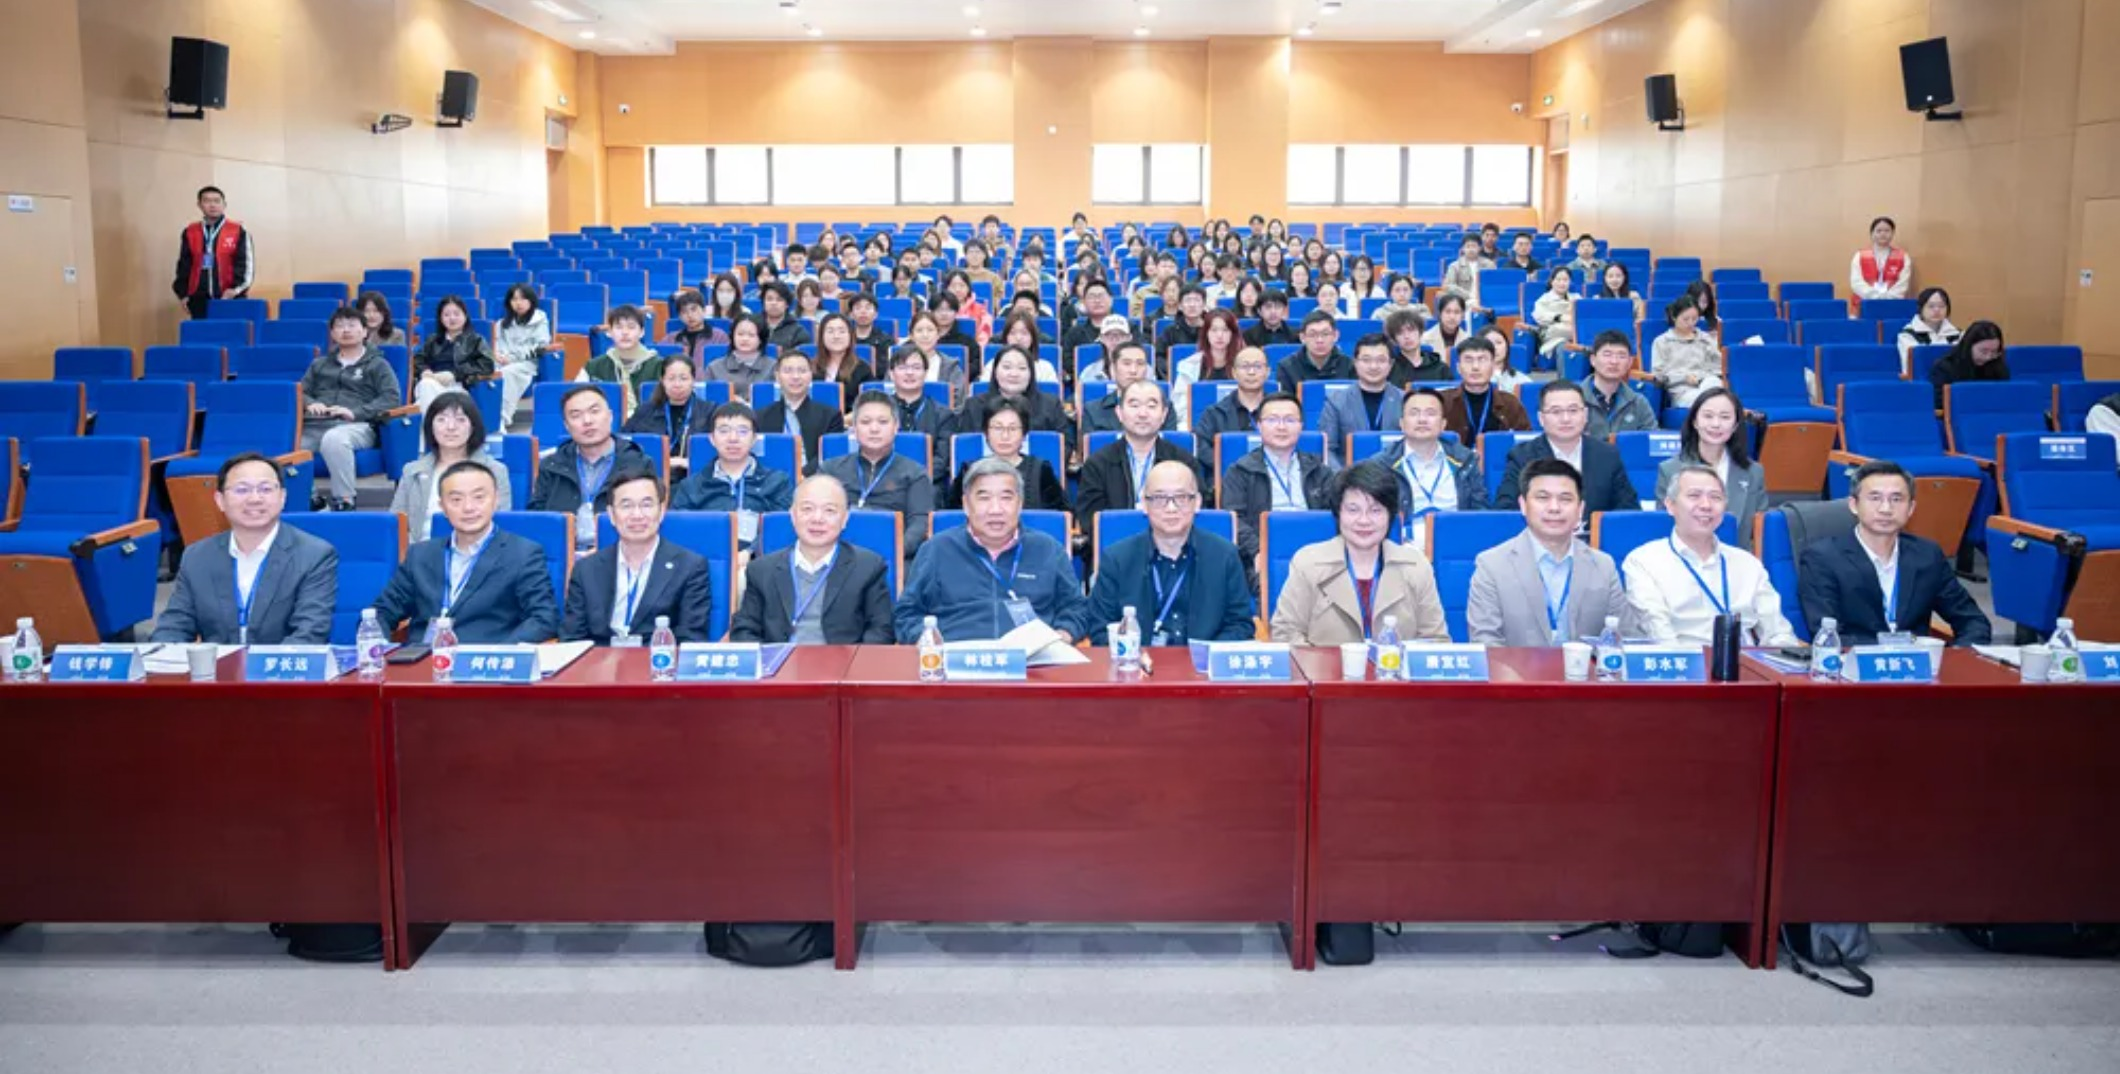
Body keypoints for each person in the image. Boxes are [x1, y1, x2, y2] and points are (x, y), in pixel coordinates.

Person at [893, 455, 1091, 643]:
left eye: (1006, 498)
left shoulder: (1048, 549)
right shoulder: (936, 550)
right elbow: (906, 614)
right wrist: (924, 637)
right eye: (984, 498)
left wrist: (1063, 634)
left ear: (1020, 504)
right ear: (966, 505)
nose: (995, 509)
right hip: (958, 658)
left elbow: (1076, 609)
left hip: (1032, 660)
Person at [151, 452, 335, 645]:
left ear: (282, 497)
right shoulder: (197, 556)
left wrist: (257, 664)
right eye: (241, 490)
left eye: (265, 489)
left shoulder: (314, 555)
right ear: (220, 500)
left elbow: (310, 634)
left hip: (280, 663)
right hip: (217, 664)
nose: (254, 499)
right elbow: (173, 627)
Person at [372, 460, 559, 644]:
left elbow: (543, 618)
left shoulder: (523, 553)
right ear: (443, 507)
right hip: (423, 658)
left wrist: (500, 653)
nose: (468, 508)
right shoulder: (420, 555)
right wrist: (376, 647)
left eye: (479, 497)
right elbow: (381, 612)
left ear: (496, 500)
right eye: (456, 500)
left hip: (484, 659)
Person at [1268, 462, 1450, 646]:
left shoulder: (1416, 566)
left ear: (1390, 516)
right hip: (1325, 665)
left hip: (1395, 665)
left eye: (1375, 511)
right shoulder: (1308, 563)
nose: (1364, 521)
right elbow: (1285, 634)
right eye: (1353, 510)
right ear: (1338, 513)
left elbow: (1436, 640)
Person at [1621, 464, 1799, 647]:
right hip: (1684, 660)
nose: (1706, 505)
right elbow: (1660, 636)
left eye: (1715, 497)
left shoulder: (1748, 564)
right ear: (1670, 505)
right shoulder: (1643, 562)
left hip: (1744, 660)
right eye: (1694, 496)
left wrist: (1784, 656)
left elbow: (1779, 633)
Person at [1467, 458, 1635, 647]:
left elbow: (1625, 638)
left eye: (1565, 499)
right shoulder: (1492, 565)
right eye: (1542, 498)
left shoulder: (1603, 566)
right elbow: (1486, 643)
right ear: (1523, 505)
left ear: (1580, 509)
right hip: (1513, 667)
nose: (1554, 508)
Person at [1086, 461, 1256, 646]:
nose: (1171, 508)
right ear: (1144, 504)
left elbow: (1240, 624)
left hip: (1203, 662)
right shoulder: (1117, 559)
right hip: (1137, 661)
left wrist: (1205, 656)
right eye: (1160, 498)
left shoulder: (1225, 556)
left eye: (1181, 497)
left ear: (1197, 502)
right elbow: (1100, 628)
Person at [727, 475, 896, 645]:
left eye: (829, 511)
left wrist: (855, 660)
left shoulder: (868, 567)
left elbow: (881, 631)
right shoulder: (762, 570)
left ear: (845, 519)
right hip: (779, 661)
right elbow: (744, 631)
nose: (817, 518)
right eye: (807, 509)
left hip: (844, 660)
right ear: (793, 515)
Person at [560, 468, 714, 646]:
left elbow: (691, 639)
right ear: (611, 515)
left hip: (658, 659)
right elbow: (572, 639)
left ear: (661, 511)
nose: (637, 515)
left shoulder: (690, 567)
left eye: (646, 505)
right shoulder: (586, 570)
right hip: (599, 660)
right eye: (626, 506)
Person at [1224, 392, 1336, 583]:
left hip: (1315, 552)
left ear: (1301, 426)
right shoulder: (1240, 471)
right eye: (1272, 420)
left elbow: (1334, 516)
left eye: (1290, 420)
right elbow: (1235, 520)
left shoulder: (1319, 471)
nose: (1281, 427)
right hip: (1264, 552)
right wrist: (1258, 551)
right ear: (1259, 425)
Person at [301, 306, 404, 512]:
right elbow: (299, 393)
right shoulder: (319, 365)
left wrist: (354, 412)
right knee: (289, 444)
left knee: (334, 439)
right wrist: (310, 403)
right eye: (340, 326)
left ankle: (344, 501)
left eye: (351, 325)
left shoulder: (378, 365)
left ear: (365, 332)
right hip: (316, 424)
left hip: (358, 425)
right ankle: (312, 499)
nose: (346, 330)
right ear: (332, 334)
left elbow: (391, 399)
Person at [1076, 379, 1211, 535]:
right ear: (1119, 413)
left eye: (1151, 406)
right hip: (1117, 546)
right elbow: (1092, 522)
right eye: (1134, 406)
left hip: (1172, 542)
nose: (1142, 414)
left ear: (1164, 414)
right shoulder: (1098, 463)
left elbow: (1196, 512)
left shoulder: (1184, 462)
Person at [529, 384, 650, 551]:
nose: (587, 421)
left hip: (619, 554)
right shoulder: (551, 466)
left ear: (610, 416)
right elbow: (537, 521)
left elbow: (648, 522)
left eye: (594, 411)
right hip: (561, 554)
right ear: (566, 425)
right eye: (576, 415)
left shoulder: (638, 464)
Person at [818, 391, 934, 557]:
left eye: (883, 422)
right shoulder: (830, 470)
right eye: (865, 422)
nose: (874, 429)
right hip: (838, 557)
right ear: (854, 428)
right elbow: (818, 517)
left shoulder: (915, 473)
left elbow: (919, 525)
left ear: (896, 426)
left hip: (893, 558)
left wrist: (892, 552)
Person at [1496, 380, 1638, 515]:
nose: (1566, 419)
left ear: (1585, 415)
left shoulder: (1607, 455)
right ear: (1541, 418)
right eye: (1556, 411)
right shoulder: (1522, 456)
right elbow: (1505, 510)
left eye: (1573, 410)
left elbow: (1629, 510)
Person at [390, 390, 512, 542]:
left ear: (473, 427)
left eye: (460, 420)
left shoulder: (494, 471)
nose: (451, 427)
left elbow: (500, 525)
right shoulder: (413, 471)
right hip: (420, 550)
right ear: (430, 427)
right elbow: (395, 524)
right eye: (441, 420)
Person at [670, 401, 794, 551]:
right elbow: (680, 532)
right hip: (706, 558)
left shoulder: (777, 482)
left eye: (742, 431)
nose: (733, 438)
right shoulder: (691, 486)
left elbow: (782, 528)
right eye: (724, 431)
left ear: (754, 439)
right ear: (712, 439)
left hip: (762, 560)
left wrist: (750, 552)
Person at [1655, 387, 1767, 549]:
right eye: (1708, 416)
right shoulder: (1670, 470)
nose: (1716, 424)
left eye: (1725, 417)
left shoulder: (1753, 472)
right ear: (1695, 421)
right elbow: (1664, 529)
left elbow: (1758, 535)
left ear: (1735, 425)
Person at [1372, 388, 1487, 545]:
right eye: (1414, 413)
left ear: (1443, 424)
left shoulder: (1465, 460)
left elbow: (1481, 513)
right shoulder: (1381, 465)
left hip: (1458, 544)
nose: (1422, 420)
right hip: (1402, 548)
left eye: (1430, 413)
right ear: (1401, 424)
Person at [945, 395, 1069, 511]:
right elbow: (952, 516)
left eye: (1013, 428)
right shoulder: (969, 470)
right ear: (986, 432)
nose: (1005, 436)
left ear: (1024, 434)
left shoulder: (1041, 470)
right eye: (998, 428)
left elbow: (1058, 517)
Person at [954, 346, 1074, 458]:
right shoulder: (974, 406)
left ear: (1031, 374)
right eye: (1007, 367)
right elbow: (966, 448)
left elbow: (1065, 446)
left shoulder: (1050, 405)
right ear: (995, 372)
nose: (1014, 374)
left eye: (1022, 368)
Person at [1318, 335, 1405, 467]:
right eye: (1366, 360)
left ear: (1391, 364)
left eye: (1381, 360)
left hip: (1394, 474)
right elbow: (1327, 449)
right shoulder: (1336, 401)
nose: (1373, 366)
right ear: (1355, 363)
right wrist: (1343, 477)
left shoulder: (1405, 401)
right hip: (1347, 473)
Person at [755, 351, 846, 477]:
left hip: (815, 479)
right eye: (788, 371)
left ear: (811, 375)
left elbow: (829, 454)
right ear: (777, 376)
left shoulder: (830, 415)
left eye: (802, 371)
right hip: (771, 481)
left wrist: (802, 475)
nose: (795, 377)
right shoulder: (760, 416)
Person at [173, 185, 255, 319]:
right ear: (199, 205)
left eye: (217, 201)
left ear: (224, 205)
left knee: (230, 332)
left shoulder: (238, 230)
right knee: (202, 332)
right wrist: (183, 294)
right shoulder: (190, 232)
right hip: (198, 299)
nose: (212, 205)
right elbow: (184, 265)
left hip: (230, 298)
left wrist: (236, 290)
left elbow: (246, 264)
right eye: (207, 201)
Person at [623, 354, 714, 473]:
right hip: (652, 474)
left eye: (683, 379)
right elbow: (624, 443)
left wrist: (691, 462)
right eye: (671, 379)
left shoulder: (710, 411)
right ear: (662, 381)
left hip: (695, 476)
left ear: (693, 380)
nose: (677, 384)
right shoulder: (645, 411)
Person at [1439, 336, 1530, 444]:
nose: (1475, 367)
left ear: (1493, 366)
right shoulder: (1443, 402)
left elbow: (1525, 445)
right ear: (1458, 368)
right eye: (1468, 360)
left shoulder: (1511, 404)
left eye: (1482, 360)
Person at [409, 296, 495, 410]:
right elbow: (418, 359)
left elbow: (487, 365)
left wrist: (455, 375)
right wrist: (424, 370)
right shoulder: (432, 340)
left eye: (456, 314)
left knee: (425, 393)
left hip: (457, 387)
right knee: (426, 385)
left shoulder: (476, 340)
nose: (452, 318)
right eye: (446, 315)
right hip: (431, 383)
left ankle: (429, 419)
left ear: (465, 316)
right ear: (440, 318)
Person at [1081, 342, 1178, 437]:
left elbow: (1167, 445)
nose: (1133, 370)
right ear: (1113, 369)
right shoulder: (1093, 410)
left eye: (1140, 364)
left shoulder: (1164, 408)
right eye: (1126, 364)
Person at [1171, 307, 1245, 429]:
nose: (1219, 335)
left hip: (1237, 425)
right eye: (1214, 330)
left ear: (1233, 334)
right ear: (1206, 333)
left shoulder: (1244, 364)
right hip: (1200, 426)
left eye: (1225, 330)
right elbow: (1180, 409)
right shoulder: (1189, 366)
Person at [1580, 329, 1658, 439]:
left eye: (1621, 356)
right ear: (1593, 360)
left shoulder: (1638, 403)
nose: (1614, 361)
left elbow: (1651, 441)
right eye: (1607, 355)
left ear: (1630, 362)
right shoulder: (1574, 399)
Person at [1651, 295, 1724, 411]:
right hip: (1681, 391)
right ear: (1674, 317)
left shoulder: (1705, 339)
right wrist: (1683, 377)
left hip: (1706, 384)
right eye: (1686, 319)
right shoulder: (1662, 342)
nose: (1691, 323)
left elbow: (1719, 367)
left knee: (1715, 385)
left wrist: (1703, 376)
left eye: (1694, 319)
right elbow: (1659, 375)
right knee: (1708, 400)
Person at [1192, 345, 1273, 449]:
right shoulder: (1215, 414)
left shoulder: (1281, 412)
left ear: (1267, 372)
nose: (1251, 372)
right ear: (1234, 373)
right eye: (1245, 366)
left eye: (1258, 366)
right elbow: (1200, 448)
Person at [492, 284, 549, 429]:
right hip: (504, 362)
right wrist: (499, 356)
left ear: (531, 301)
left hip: (527, 363)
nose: (518, 303)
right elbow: (498, 345)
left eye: (523, 299)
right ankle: (485, 416)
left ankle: (502, 418)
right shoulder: (502, 324)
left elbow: (540, 347)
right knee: (487, 370)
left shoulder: (540, 320)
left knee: (508, 373)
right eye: (514, 299)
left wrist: (512, 358)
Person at [1927, 319, 2008, 409]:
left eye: (1994, 352)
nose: (1988, 357)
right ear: (1969, 346)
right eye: (1983, 351)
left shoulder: (1996, 364)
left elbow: (2004, 395)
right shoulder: (1944, 367)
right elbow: (1938, 401)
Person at [898, 311, 971, 401]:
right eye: (919, 330)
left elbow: (959, 402)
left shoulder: (951, 367)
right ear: (911, 336)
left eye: (930, 330)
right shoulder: (898, 365)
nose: (925, 335)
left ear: (938, 334)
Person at [704, 316, 775, 399]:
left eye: (751, 335)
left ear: (761, 339)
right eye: (740, 334)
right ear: (732, 337)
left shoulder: (773, 367)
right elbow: (707, 401)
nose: (745, 339)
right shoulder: (714, 368)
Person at [1895, 286, 1961, 376]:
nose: (1937, 310)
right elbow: (1913, 365)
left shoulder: (1958, 335)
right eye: (1931, 306)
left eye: (1941, 306)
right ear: (1921, 309)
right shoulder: (1907, 335)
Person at [1276, 311, 1354, 386]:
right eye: (1312, 335)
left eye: (1325, 334)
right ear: (1302, 337)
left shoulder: (1349, 366)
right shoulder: (1287, 368)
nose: (1319, 340)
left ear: (1335, 336)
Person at [1850, 215, 1912, 302]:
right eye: (1878, 231)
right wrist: (1875, 297)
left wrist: (1887, 298)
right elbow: (1856, 282)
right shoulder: (1860, 255)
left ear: (1893, 233)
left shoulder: (1903, 256)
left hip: (1892, 303)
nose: (1883, 234)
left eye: (1887, 231)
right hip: (1864, 303)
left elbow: (1903, 284)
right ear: (1872, 233)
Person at [1382, 309, 1448, 385]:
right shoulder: (1389, 369)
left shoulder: (1440, 368)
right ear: (1394, 339)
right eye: (1400, 332)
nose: (1406, 336)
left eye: (1411, 330)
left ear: (1420, 332)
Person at [663, 288, 729, 362]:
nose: (690, 315)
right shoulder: (670, 339)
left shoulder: (719, 337)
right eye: (684, 311)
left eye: (693, 310)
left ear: (704, 311)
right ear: (680, 317)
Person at [1075, 313, 1137, 386]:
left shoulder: (1143, 369)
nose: (1115, 339)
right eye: (1109, 335)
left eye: (1120, 335)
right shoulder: (1090, 372)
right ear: (1101, 338)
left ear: (1129, 338)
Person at [1529, 268, 1577, 359]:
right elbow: (1538, 315)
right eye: (1558, 280)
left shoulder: (1576, 298)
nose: (1562, 283)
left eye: (1565, 280)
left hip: (1575, 333)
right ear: (1552, 282)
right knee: (1563, 344)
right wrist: (1559, 317)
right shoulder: (1544, 299)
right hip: (1554, 337)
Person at [757, 282, 813, 351]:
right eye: (769, 299)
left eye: (779, 299)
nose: (774, 303)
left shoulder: (798, 332)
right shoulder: (753, 326)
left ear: (787, 304)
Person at [845, 292, 896, 360]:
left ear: (875, 314)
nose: (863, 312)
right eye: (858, 308)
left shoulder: (886, 340)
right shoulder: (844, 339)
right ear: (851, 314)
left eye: (868, 308)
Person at [1439, 236, 1486, 310]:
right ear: (1463, 249)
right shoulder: (1454, 266)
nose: (1471, 249)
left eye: (1474, 246)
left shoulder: (1489, 265)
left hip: (1485, 301)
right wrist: (1469, 295)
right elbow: (1449, 286)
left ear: (1480, 248)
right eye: (1468, 246)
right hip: (1464, 301)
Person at [1420, 293, 1473, 357]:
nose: (1452, 317)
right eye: (1448, 312)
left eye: (1457, 312)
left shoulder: (1469, 341)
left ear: (1463, 315)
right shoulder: (1424, 340)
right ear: (1440, 314)